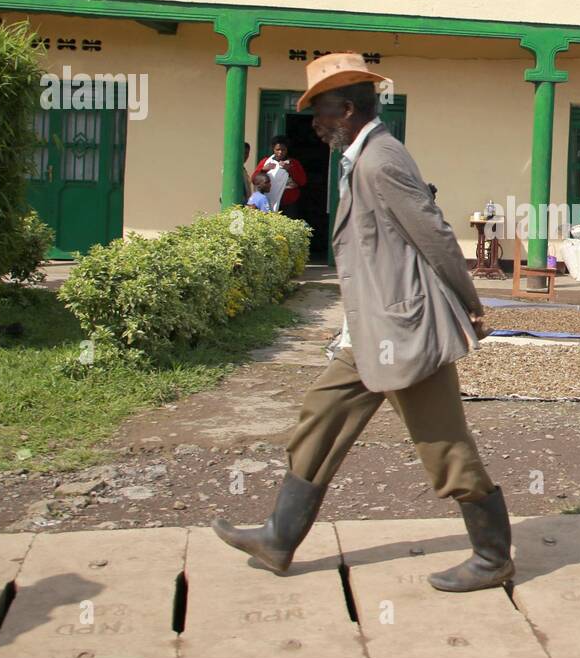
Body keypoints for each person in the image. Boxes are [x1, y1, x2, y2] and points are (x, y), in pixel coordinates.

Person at [213, 52, 513, 593]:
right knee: (320, 417)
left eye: (321, 113)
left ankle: (493, 557)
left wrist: (471, 303)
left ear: (348, 109)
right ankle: (279, 539)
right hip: (371, 330)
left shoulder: (381, 160)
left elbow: (435, 235)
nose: (314, 125)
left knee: (443, 444)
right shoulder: (362, 156)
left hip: (403, 330)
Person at [252, 135, 307, 217]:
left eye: (283, 150)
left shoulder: (293, 163)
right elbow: (254, 179)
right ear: (273, 149)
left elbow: (302, 181)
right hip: (268, 202)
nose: (280, 152)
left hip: (288, 204)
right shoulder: (266, 162)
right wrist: (263, 169)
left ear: (287, 150)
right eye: (278, 149)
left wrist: (290, 169)